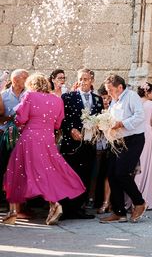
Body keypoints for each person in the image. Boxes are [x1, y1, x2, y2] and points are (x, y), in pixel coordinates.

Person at [2, 73, 85, 225]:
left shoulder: (30, 96)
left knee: (16, 169)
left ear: (31, 84)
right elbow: (58, 124)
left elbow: (21, 119)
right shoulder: (57, 100)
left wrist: (17, 120)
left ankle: (13, 212)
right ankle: (53, 203)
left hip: (30, 138)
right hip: (48, 139)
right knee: (47, 171)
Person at [99, 74, 147, 224]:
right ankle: (119, 212)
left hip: (133, 139)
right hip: (117, 141)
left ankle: (139, 203)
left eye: (111, 90)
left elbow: (140, 116)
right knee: (112, 174)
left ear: (120, 87)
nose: (109, 93)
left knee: (122, 173)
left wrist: (122, 123)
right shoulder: (114, 100)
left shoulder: (131, 96)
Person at [59, 68, 103, 219]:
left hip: (89, 143)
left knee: (85, 175)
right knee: (68, 174)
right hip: (71, 143)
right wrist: (71, 129)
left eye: (86, 79)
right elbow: (62, 118)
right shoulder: (68, 97)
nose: (83, 81)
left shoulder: (98, 99)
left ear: (92, 81)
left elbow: (100, 119)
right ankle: (65, 208)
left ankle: (78, 208)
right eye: (80, 78)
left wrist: (98, 127)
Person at [129, 82, 152, 210]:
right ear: (147, 92)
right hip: (146, 133)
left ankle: (131, 198)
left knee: (134, 163)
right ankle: (144, 198)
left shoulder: (134, 102)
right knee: (145, 163)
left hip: (133, 132)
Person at [0, 69, 28, 202]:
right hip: (5, 137)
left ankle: (20, 202)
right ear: (15, 80)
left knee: (21, 169)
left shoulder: (29, 95)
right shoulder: (3, 95)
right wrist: (11, 118)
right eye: (25, 78)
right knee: (3, 166)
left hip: (23, 138)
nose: (28, 81)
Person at [93, 87, 112, 214]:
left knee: (108, 174)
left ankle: (107, 202)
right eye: (103, 98)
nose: (105, 100)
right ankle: (94, 199)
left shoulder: (113, 110)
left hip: (110, 144)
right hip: (97, 145)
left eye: (107, 97)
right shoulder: (96, 110)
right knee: (96, 173)